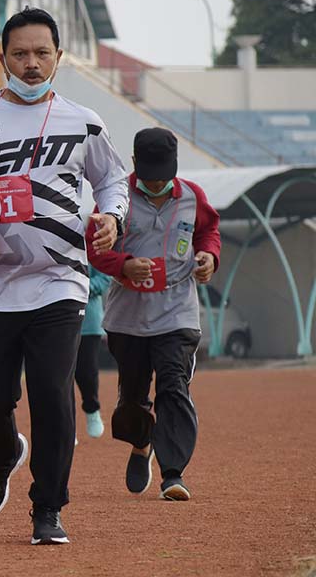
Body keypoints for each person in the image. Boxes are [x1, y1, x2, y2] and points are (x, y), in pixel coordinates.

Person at [0, 7, 128, 545]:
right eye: (21, 53)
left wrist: (111, 217)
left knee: (52, 396)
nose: (32, 64)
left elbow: (113, 182)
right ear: (2, 59)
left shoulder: (84, 121)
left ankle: (48, 509)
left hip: (59, 280)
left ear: (59, 58)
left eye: (42, 53)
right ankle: (2, 454)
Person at [86, 127, 220, 502]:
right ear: (134, 165)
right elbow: (95, 251)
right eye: (150, 176)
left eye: (165, 175)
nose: (158, 183)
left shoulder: (193, 196)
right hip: (127, 317)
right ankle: (141, 441)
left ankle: (173, 473)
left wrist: (209, 256)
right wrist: (123, 265)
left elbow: (209, 232)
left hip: (178, 312)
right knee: (131, 398)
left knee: (174, 386)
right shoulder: (115, 199)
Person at [75, 264, 110, 439]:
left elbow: (104, 279)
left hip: (88, 323)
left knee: (86, 373)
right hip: (55, 322)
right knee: (57, 378)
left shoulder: (93, 243)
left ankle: (92, 409)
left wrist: (77, 287)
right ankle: (65, 426)